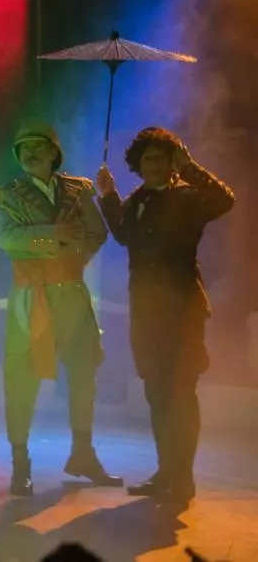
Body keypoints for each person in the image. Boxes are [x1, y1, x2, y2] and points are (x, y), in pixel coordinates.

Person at [95, 127, 233, 503]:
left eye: (161, 158)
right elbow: (124, 236)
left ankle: (183, 478)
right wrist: (108, 196)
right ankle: (166, 471)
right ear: (138, 165)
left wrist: (190, 168)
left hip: (183, 311)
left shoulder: (188, 196)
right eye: (148, 159)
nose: (154, 165)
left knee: (181, 392)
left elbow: (224, 200)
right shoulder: (136, 200)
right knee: (156, 392)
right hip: (145, 311)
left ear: (173, 162)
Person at [0, 122, 121, 496]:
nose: (30, 153)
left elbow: (97, 232)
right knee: (22, 379)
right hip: (32, 298)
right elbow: (7, 238)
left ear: (53, 153)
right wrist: (52, 237)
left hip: (72, 295)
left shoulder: (79, 190)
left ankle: (83, 455)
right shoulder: (5, 197)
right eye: (23, 148)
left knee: (83, 374)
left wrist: (70, 261)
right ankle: (20, 464)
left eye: (37, 146)